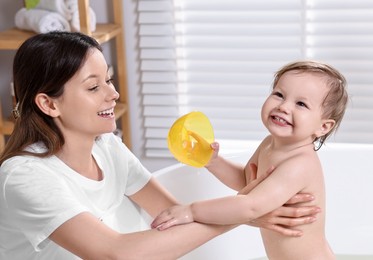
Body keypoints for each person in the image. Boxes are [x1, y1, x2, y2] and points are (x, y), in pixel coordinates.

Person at [0, 32, 320, 260]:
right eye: (94, 87)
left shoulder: (108, 148)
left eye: (108, 81)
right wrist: (247, 211)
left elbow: (167, 216)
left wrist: (246, 211)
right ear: (49, 104)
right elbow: (115, 254)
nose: (112, 94)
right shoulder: (25, 177)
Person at [151, 60, 349, 259]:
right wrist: (214, 162)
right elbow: (248, 182)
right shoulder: (268, 144)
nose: (284, 107)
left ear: (323, 127)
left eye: (301, 104)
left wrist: (192, 211)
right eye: (279, 94)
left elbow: (250, 206)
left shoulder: (300, 164)